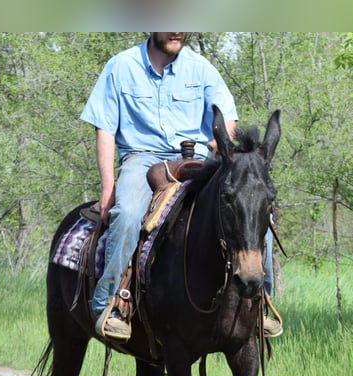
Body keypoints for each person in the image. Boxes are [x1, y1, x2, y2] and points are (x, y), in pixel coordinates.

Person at [80, 32, 281, 341]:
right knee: (129, 212)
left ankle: (261, 303)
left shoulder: (201, 69)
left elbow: (226, 118)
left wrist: (220, 142)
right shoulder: (120, 67)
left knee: (251, 212)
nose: (177, 30)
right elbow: (105, 128)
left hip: (199, 158)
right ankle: (109, 303)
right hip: (142, 160)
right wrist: (109, 187)